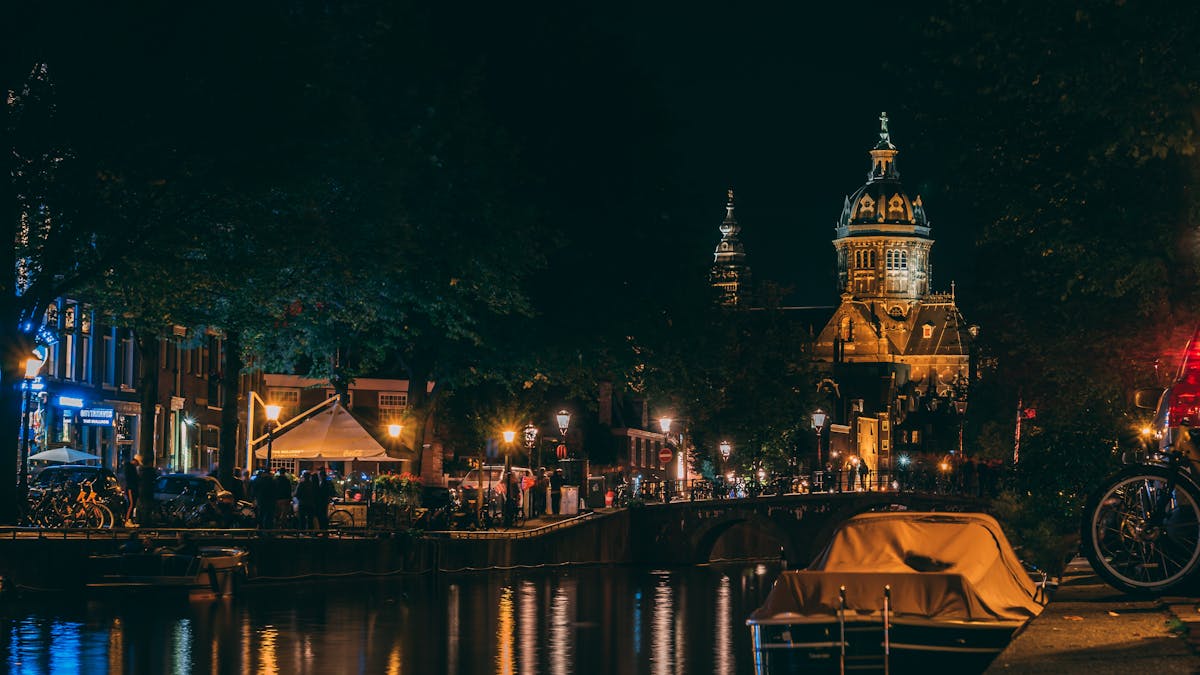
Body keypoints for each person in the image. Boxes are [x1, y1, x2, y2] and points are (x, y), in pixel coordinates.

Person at [122, 454, 141, 524]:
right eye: (138, 463)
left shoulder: (130, 468)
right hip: (131, 488)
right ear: (135, 461)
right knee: (131, 504)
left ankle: (129, 520)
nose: (138, 465)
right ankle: (127, 520)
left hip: (131, 488)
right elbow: (131, 479)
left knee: (132, 504)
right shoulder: (130, 468)